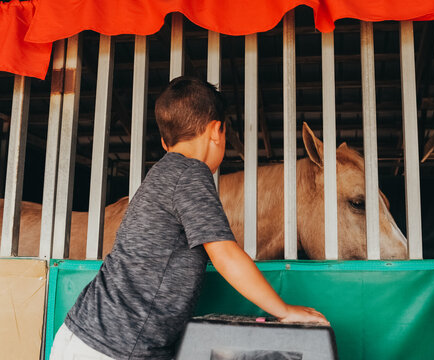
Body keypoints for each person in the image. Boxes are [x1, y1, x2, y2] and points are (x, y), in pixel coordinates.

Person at [50, 76, 329, 360]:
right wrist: (285, 311)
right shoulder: (190, 173)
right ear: (216, 131)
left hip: (87, 334)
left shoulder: (161, 173)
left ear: (164, 141)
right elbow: (225, 255)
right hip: (113, 347)